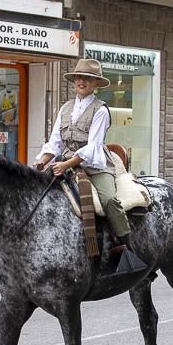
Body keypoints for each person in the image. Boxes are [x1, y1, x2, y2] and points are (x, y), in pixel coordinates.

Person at [35, 58, 134, 255]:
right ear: (74, 80)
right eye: (79, 77)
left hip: (95, 165)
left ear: (97, 83)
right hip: (66, 162)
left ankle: (128, 247)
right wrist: (43, 160)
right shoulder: (65, 108)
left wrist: (65, 165)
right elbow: (55, 140)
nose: (82, 81)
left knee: (108, 201)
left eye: (88, 78)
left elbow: (92, 148)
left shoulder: (101, 110)